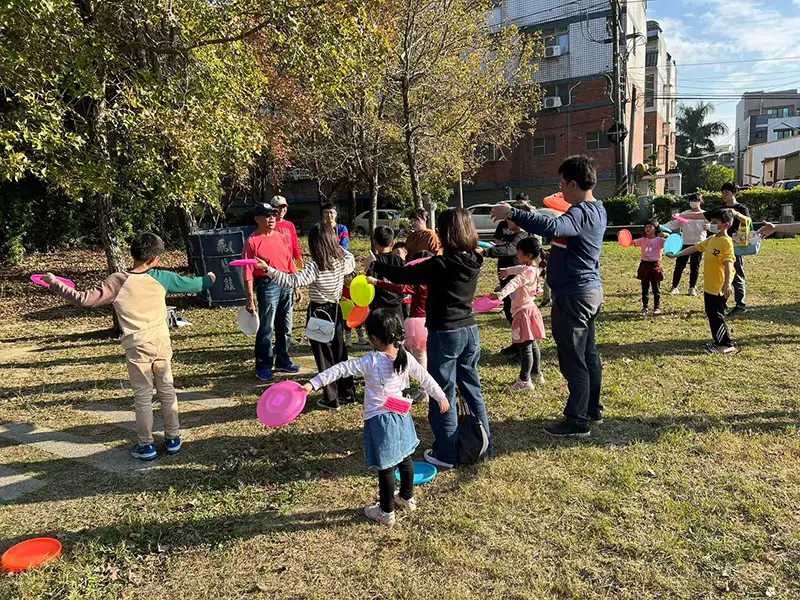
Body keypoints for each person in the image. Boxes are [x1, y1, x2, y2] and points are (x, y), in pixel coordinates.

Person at [41, 233, 215, 461]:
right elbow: (195, 284)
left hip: (137, 346)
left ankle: (146, 446)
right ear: (155, 259)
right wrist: (210, 278)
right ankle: (173, 438)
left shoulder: (117, 281)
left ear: (132, 253)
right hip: (162, 342)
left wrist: (54, 283)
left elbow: (84, 299)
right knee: (167, 390)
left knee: (143, 396)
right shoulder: (163, 277)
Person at [491, 155, 606, 438]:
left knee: (573, 357)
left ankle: (577, 420)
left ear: (574, 184)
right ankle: (592, 409)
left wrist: (513, 213)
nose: (560, 188)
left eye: (563, 183)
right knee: (588, 353)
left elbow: (555, 227)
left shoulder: (579, 213)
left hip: (574, 295)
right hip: (589, 291)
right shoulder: (597, 209)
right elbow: (557, 228)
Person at [302, 308, 449, 526]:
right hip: (401, 413)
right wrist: (441, 396)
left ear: (373, 338)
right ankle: (407, 498)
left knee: (387, 467)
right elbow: (425, 378)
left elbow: (341, 369)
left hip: (380, 420)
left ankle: (386, 512)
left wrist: (312, 384)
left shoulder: (370, 361)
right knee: (406, 457)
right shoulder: (404, 356)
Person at [369, 208, 490, 469]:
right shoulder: (474, 259)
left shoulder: (440, 265)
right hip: (470, 330)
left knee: (442, 392)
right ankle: (483, 441)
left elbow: (404, 275)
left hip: (446, 334)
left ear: (446, 233)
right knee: (472, 388)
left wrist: (378, 263)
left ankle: (446, 453)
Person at [258, 223, 357, 410]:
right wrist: (339, 248)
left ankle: (332, 399)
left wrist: (268, 270)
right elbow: (350, 257)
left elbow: (291, 280)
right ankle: (348, 393)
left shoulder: (315, 266)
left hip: (319, 313)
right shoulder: (341, 262)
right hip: (335, 312)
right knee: (339, 353)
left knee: (324, 357)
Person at [243, 203, 300, 381]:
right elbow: (247, 272)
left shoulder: (280, 236)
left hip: (286, 283)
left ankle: (283, 359)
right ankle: (263, 365)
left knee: (286, 326)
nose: (272, 218)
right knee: (267, 327)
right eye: (267, 215)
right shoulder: (252, 241)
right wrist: (250, 299)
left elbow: (289, 260)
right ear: (257, 219)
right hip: (267, 286)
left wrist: (296, 284)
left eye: (273, 215)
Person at [668, 208, 737, 355]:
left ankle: (726, 344)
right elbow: (695, 247)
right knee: (711, 313)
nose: (711, 224)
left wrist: (727, 284)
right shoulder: (712, 239)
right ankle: (718, 340)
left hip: (719, 286)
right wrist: (677, 255)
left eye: (715, 222)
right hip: (709, 286)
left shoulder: (727, 242)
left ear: (726, 225)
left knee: (717, 314)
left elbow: (729, 263)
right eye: (711, 221)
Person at [367, 250, 432, 402]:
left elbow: (400, 289)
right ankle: (427, 387)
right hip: (432, 321)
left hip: (417, 322)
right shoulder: (436, 281)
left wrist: (377, 282)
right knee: (427, 355)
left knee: (420, 357)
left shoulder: (420, 283)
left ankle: (424, 391)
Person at [489, 236, 546, 389]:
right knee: (533, 345)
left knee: (524, 348)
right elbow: (520, 270)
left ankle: (524, 380)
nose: (517, 256)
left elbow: (514, 283)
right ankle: (536, 374)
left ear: (528, 256)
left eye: (519, 253)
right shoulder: (533, 269)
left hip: (523, 314)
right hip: (531, 310)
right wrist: (508, 270)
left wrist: (500, 294)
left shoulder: (526, 273)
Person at [484, 201, 530, 355]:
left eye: (510, 218)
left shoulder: (523, 235)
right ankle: (516, 343)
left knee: (517, 314)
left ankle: (524, 349)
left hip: (516, 278)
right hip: (506, 275)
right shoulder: (507, 229)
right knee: (509, 311)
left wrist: (487, 252)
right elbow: (502, 246)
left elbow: (510, 249)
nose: (507, 221)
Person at [666, 193, 707, 296]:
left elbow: (714, 225)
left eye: (696, 200)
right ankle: (674, 287)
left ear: (701, 201)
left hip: (699, 244)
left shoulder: (705, 214)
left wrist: (709, 226)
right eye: (692, 200)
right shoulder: (684, 214)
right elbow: (672, 224)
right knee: (679, 265)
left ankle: (692, 288)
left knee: (695, 266)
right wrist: (660, 227)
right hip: (684, 243)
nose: (693, 202)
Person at [720, 182, 749, 316]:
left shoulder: (741, 208)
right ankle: (722, 302)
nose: (724, 195)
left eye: (726, 192)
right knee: (721, 274)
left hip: (736, 246)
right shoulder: (721, 209)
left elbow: (748, 221)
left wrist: (736, 214)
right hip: (722, 244)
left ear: (734, 193)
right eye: (723, 192)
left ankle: (740, 304)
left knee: (737, 274)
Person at [368, 225, 405, 321]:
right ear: (393, 243)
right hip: (397, 307)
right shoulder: (399, 261)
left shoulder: (373, 262)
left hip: (379, 308)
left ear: (375, 242)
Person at [633, 219, 666, 316]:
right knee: (645, 288)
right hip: (644, 265)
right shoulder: (642, 240)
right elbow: (630, 242)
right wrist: (622, 236)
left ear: (655, 229)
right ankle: (645, 307)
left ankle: (657, 307)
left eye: (650, 227)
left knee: (656, 288)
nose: (647, 229)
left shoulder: (660, 241)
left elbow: (671, 245)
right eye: (646, 227)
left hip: (655, 265)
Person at [271, 195, 303, 267]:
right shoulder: (269, 225)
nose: (282, 209)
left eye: (284, 207)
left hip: (289, 262)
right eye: (279, 207)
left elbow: (295, 244)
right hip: (275, 264)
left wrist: (298, 257)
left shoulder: (290, 225)